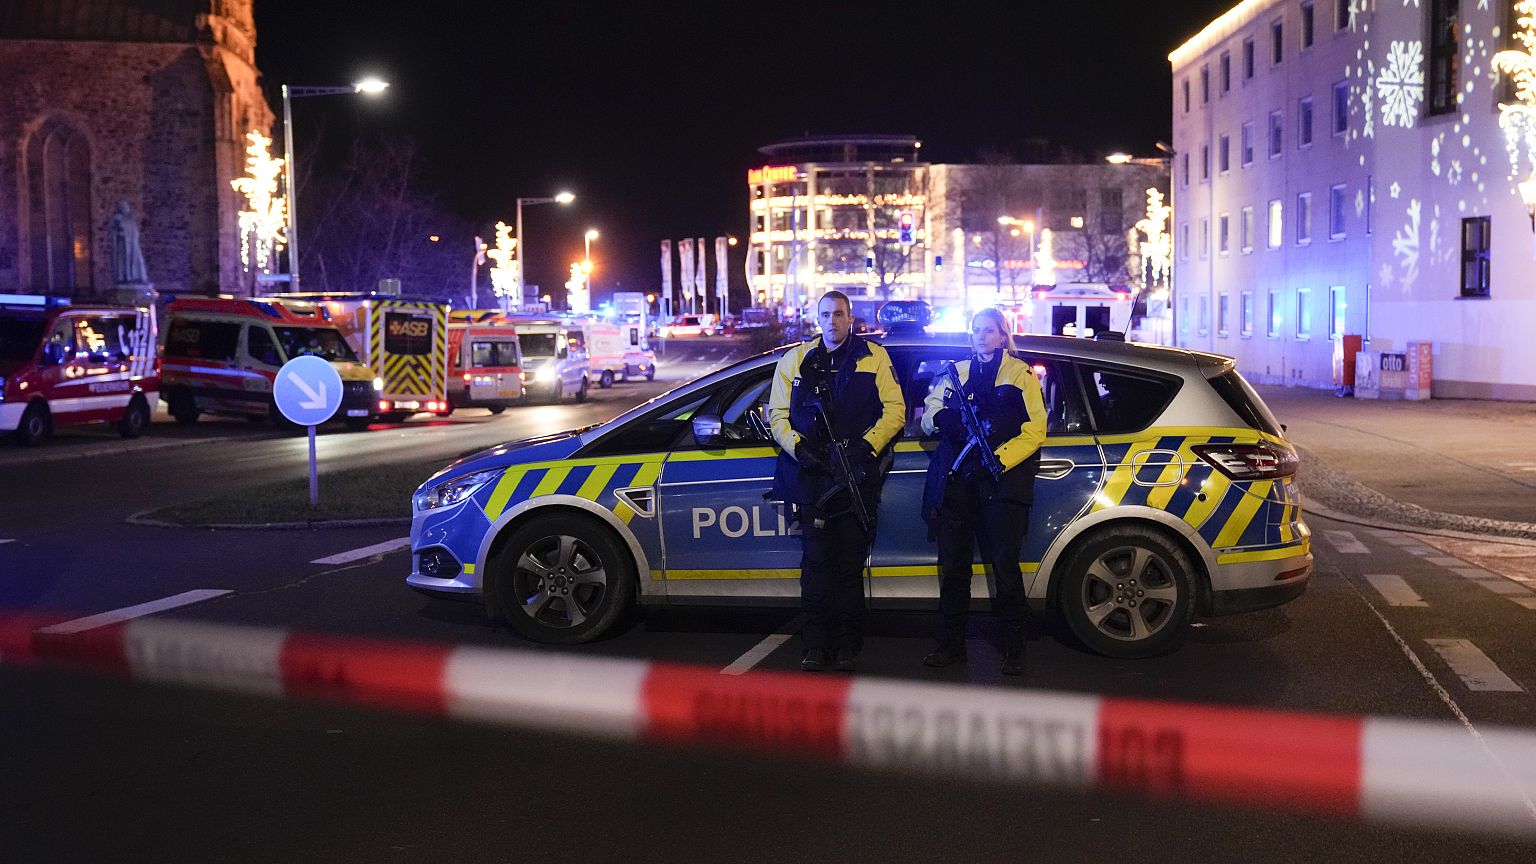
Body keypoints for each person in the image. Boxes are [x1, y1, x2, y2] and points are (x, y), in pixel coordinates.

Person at [768, 291, 905, 673]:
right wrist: (801, 450)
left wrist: (866, 446)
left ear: (851, 318)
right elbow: (777, 415)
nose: (832, 321)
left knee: (848, 569)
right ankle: (814, 646)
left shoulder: (873, 357)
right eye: (825, 314)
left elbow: (896, 411)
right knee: (814, 567)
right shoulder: (795, 360)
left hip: (855, 476)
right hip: (812, 478)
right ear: (817, 318)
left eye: (839, 314)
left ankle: (846, 646)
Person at [920, 308, 1047, 675]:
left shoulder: (1020, 374)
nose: (981, 336)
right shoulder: (954, 372)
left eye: (989, 330)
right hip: (959, 487)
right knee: (954, 571)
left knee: (1005, 569)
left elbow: (1036, 429)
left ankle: (1014, 648)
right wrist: (942, 419)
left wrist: (999, 459)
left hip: (999, 484)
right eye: (976, 330)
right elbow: (928, 415)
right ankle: (950, 646)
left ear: (1003, 334)